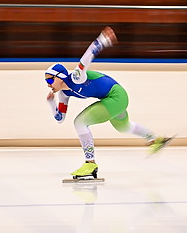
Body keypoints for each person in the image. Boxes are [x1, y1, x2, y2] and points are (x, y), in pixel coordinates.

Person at [45, 26, 171, 180]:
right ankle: (155, 140)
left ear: (60, 77)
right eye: (46, 80)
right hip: (114, 99)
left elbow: (86, 58)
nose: (48, 83)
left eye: (50, 79)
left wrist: (102, 40)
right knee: (124, 127)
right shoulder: (64, 94)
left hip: (116, 96)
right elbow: (60, 118)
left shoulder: (75, 77)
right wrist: (51, 104)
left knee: (80, 122)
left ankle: (90, 163)